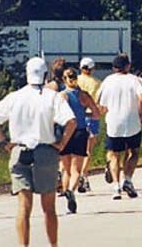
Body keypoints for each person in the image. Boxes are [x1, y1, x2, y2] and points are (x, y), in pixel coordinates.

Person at [0, 57, 76, 247]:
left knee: (24, 207)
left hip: (19, 151)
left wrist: (5, 142)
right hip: (45, 152)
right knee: (49, 208)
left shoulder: (15, 96)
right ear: (44, 75)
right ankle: (53, 245)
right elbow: (71, 121)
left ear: (26, 74)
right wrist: (61, 144)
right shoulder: (53, 97)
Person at [98, 53, 142, 200]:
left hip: (114, 122)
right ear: (128, 66)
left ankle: (116, 187)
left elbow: (101, 103)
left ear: (114, 68)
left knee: (114, 155)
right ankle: (127, 179)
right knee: (134, 152)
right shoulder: (133, 80)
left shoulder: (108, 81)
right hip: (132, 121)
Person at [58, 67, 101, 213]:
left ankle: (66, 192)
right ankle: (71, 191)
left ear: (64, 80)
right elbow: (96, 114)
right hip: (80, 131)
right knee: (76, 169)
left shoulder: (62, 96)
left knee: (66, 168)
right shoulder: (84, 96)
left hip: (65, 132)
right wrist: (84, 114)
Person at [77, 57, 102, 193]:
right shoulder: (97, 83)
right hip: (91, 116)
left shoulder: (75, 80)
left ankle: (71, 175)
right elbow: (98, 102)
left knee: (75, 150)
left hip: (77, 117)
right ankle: (83, 175)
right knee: (88, 149)